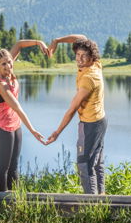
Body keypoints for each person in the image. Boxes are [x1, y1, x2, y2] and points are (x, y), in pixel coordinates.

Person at [46, 35, 107, 195]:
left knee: (84, 164)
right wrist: (57, 41)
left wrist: (57, 132)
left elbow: (72, 109)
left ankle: (91, 205)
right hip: (99, 120)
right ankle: (102, 199)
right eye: (77, 55)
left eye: (83, 56)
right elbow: (81, 38)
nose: (79, 59)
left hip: (91, 125)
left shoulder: (88, 78)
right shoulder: (96, 64)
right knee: (96, 162)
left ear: (91, 57)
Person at [0, 40, 48, 192]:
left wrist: (38, 43)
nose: (8, 66)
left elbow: (19, 44)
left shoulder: (10, 70)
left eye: (9, 62)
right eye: (3, 64)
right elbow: (17, 107)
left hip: (16, 125)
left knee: (14, 166)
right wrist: (33, 130)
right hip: (3, 127)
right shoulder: (1, 85)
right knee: (4, 167)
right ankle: (1, 202)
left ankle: (15, 199)